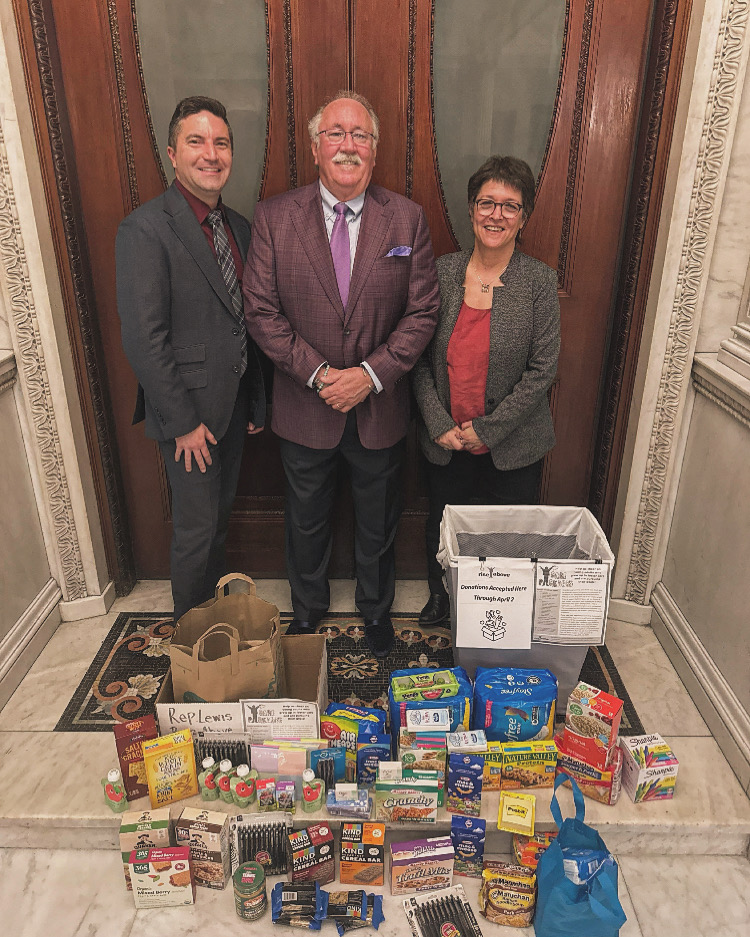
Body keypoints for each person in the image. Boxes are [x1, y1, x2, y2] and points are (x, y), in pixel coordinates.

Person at [243, 91, 440, 658]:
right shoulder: (275, 218)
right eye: (336, 133)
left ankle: (377, 614)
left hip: (379, 409)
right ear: (315, 147)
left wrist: (371, 375)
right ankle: (306, 614)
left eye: (360, 135)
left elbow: (422, 310)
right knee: (306, 523)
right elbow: (261, 310)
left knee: (378, 524)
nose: (348, 145)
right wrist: (322, 374)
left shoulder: (406, 218)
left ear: (374, 152)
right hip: (306, 407)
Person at [116, 96, 266, 621]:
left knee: (217, 525)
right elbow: (144, 338)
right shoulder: (146, 229)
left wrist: (254, 402)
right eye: (196, 142)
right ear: (172, 154)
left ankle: (214, 624)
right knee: (196, 531)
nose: (211, 154)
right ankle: (190, 636)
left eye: (221, 143)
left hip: (231, 407)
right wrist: (182, 424)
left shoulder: (239, 227)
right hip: (188, 420)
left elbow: (243, 319)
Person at [412, 155, 560, 627]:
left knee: (506, 537)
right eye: (487, 203)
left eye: (510, 206)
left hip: (513, 443)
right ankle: (442, 597)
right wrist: (439, 425)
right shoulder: (440, 273)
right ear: (471, 209)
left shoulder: (539, 281)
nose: (496, 215)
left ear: (524, 217)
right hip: (447, 440)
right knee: (445, 527)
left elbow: (543, 370)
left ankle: (499, 615)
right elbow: (415, 358)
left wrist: (489, 430)